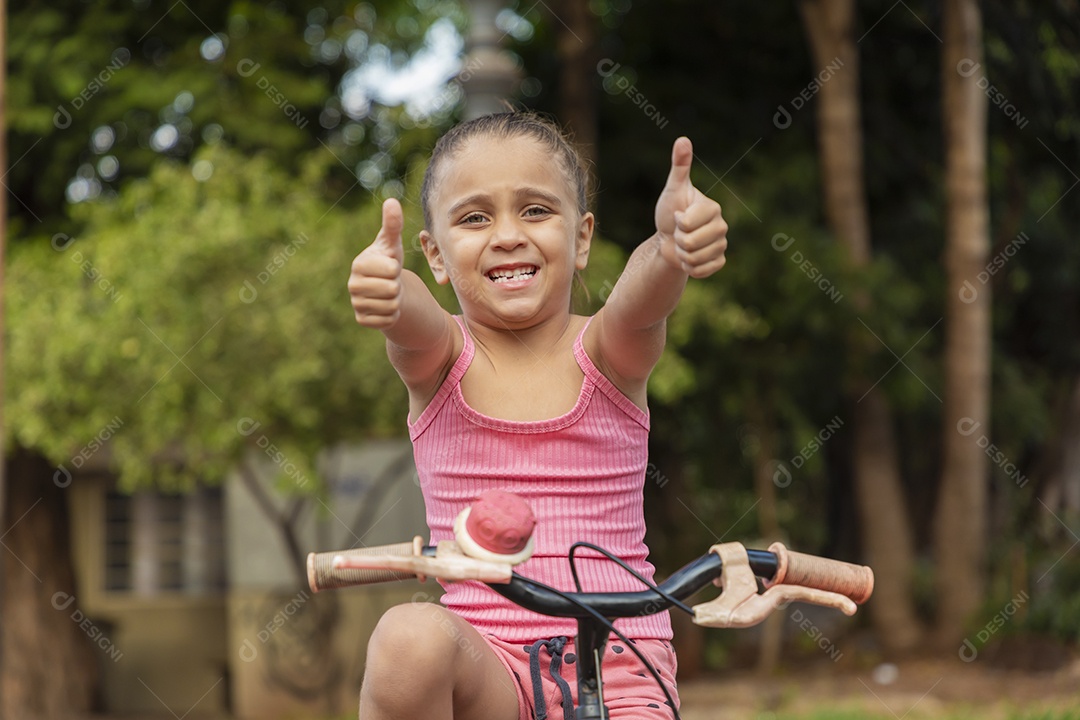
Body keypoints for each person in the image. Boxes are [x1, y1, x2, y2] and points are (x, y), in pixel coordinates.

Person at [347, 112, 728, 720]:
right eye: (474, 218)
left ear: (581, 239)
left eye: (535, 210)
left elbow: (639, 303)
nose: (506, 235)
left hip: (620, 660)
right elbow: (413, 323)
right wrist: (391, 293)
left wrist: (668, 250)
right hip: (486, 664)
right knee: (407, 637)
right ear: (435, 255)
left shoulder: (609, 352)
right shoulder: (442, 358)